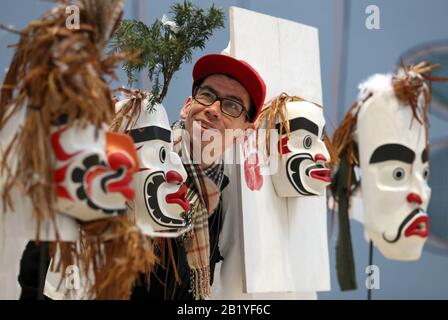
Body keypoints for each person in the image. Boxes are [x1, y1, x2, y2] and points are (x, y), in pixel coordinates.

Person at [131, 53, 266, 300]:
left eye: (232, 106)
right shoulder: (139, 161)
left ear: (244, 134)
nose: (213, 110)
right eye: (207, 95)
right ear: (187, 107)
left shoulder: (219, 203)